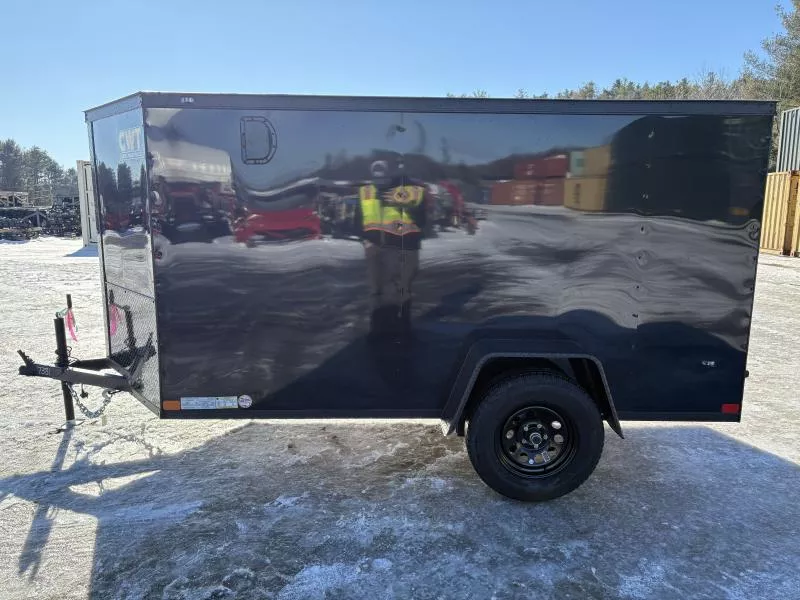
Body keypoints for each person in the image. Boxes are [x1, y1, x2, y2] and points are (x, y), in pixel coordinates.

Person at [356, 158, 427, 341]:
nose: (380, 175)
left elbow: (421, 215)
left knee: (399, 290)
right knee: (377, 290)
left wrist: (404, 200)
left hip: (402, 245)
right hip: (376, 246)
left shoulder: (409, 190)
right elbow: (358, 220)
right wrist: (365, 240)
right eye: (376, 171)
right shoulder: (366, 191)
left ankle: (401, 329)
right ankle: (379, 330)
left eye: (384, 171)